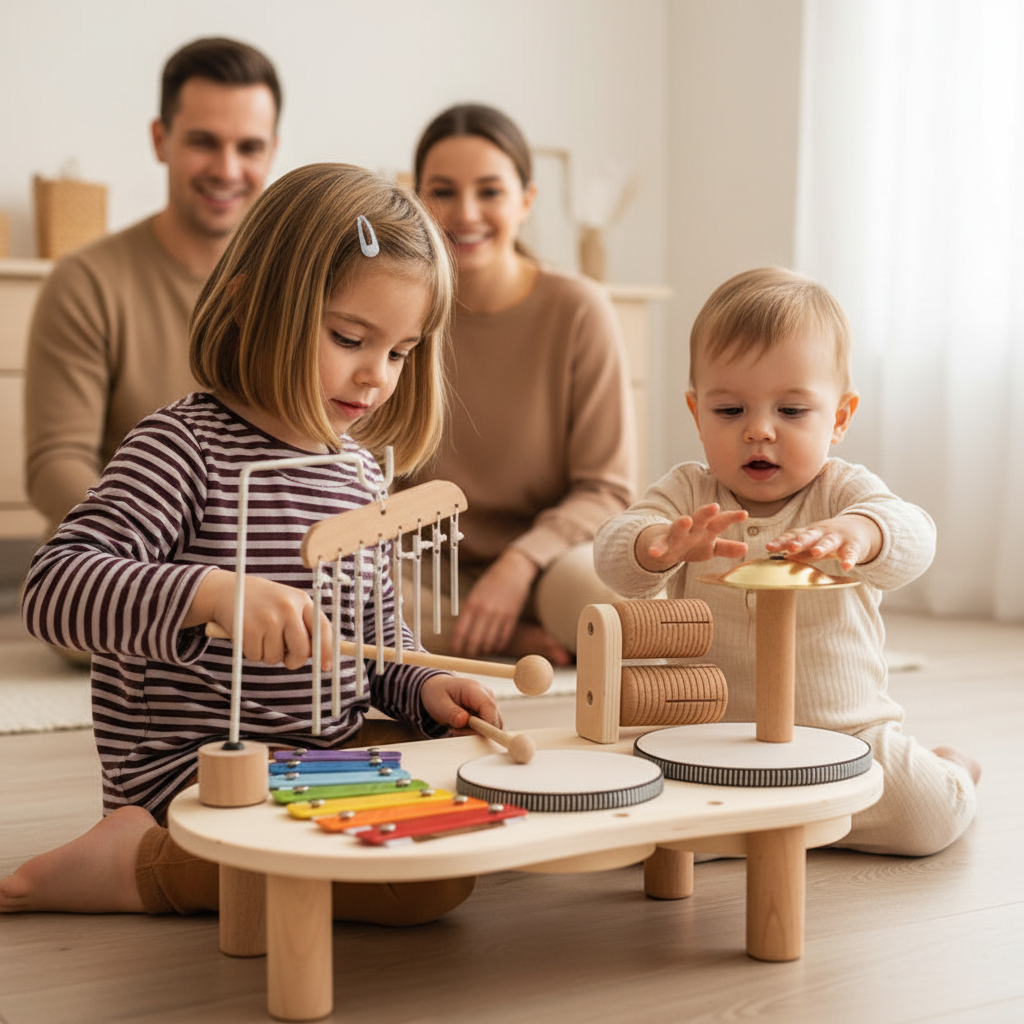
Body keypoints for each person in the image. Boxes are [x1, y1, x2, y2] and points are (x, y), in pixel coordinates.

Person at [1, 163, 500, 923]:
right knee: (419, 884)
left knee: (461, 817)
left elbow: (373, 635)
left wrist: (421, 686)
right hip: (195, 774)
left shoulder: (360, 472)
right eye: (349, 337)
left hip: (317, 754)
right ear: (248, 306)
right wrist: (211, 594)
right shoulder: (181, 446)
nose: (376, 377)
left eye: (400, 352)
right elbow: (54, 590)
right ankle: (131, 862)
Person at [593, 267, 980, 857]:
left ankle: (952, 771)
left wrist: (863, 532)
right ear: (697, 414)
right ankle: (773, 824)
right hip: (708, 739)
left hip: (846, 735)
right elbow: (612, 554)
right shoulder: (688, 495)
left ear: (841, 417)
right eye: (730, 411)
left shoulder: (843, 492)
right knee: (650, 836)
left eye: (792, 411)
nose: (759, 431)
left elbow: (915, 534)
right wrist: (659, 547)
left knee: (925, 821)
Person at [408, 103, 636, 667]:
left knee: (609, 608)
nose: (466, 213)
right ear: (414, 200)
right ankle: (506, 643)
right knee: (332, 593)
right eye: (442, 191)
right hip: (424, 569)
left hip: (547, 562)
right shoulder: (397, 309)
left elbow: (607, 489)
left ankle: (486, 636)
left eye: (489, 191)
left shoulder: (579, 308)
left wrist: (518, 563)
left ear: (526, 201)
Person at [24, 36, 281, 532]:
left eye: (248, 147)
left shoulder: (303, 287)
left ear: (273, 152)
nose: (227, 169)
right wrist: (173, 555)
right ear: (161, 139)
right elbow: (55, 462)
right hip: (127, 572)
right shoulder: (85, 284)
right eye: (203, 141)